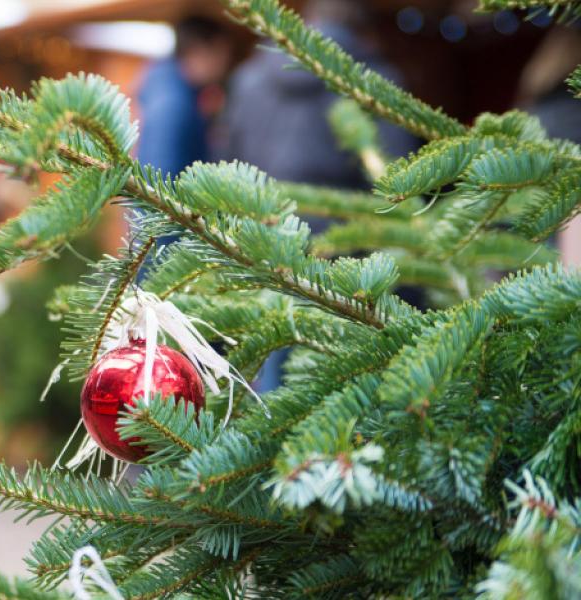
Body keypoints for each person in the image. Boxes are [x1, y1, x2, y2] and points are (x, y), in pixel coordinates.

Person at [223, 0, 416, 391]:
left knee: (270, 377)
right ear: (364, 28)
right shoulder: (374, 82)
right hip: (350, 267)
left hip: (263, 250)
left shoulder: (248, 79)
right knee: (343, 390)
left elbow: (227, 165)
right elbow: (398, 189)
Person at [135, 15, 233, 176]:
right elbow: (158, 175)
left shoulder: (173, 90)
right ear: (197, 50)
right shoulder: (172, 103)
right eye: (222, 54)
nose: (225, 65)